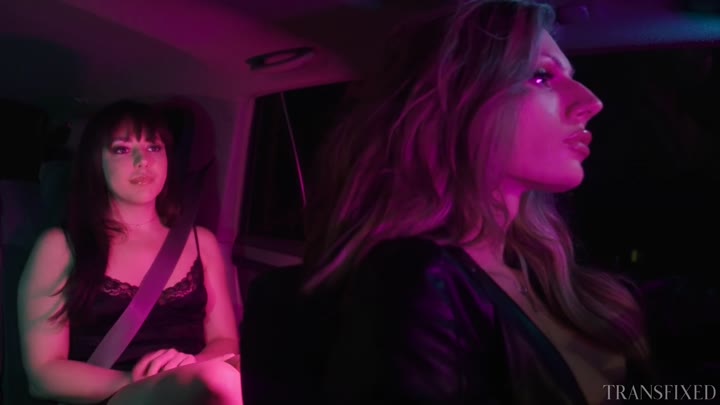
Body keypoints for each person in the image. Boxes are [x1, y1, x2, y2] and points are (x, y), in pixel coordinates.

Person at [301, 1, 656, 403]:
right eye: (541, 76)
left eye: (570, 77)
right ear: (455, 105)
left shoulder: (547, 277)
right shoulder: (416, 280)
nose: (591, 102)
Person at [17, 100, 242, 404]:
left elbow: (224, 340)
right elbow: (43, 374)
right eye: (122, 149)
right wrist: (147, 381)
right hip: (111, 394)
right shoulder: (60, 247)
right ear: (96, 162)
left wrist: (193, 368)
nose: (142, 160)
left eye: (153, 147)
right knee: (218, 380)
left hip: (197, 386)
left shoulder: (202, 242)